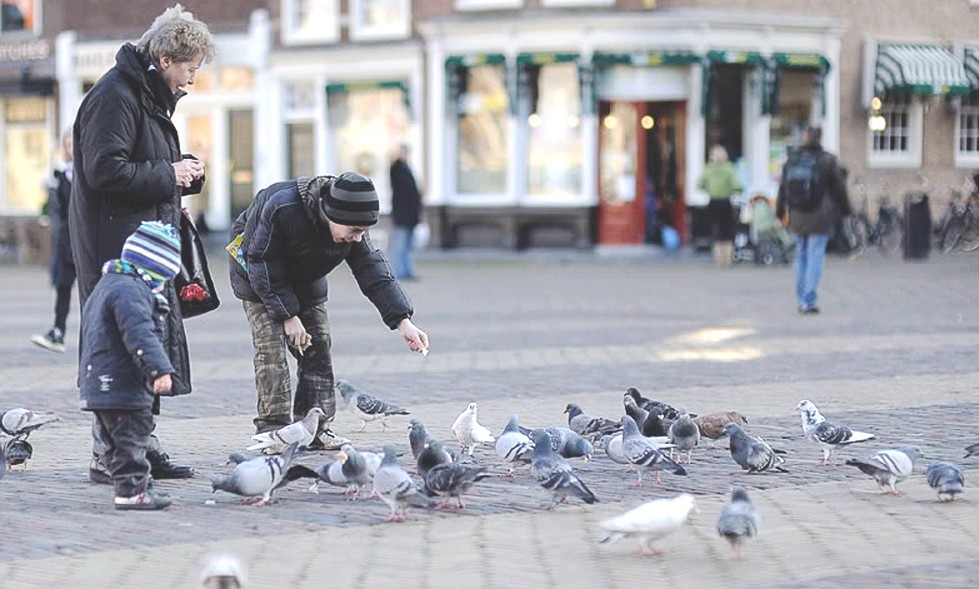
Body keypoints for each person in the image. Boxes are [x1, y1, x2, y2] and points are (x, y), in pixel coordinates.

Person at [69, 4, 216, 483]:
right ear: (167, 56)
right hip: (115, 250)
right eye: (189, 70)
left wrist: (179, 185)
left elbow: (141, 169)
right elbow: (105, 172)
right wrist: (170, 173)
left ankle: (139, 443)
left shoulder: (145, 97)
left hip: (140, 243)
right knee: (118, 340)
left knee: (144, 339)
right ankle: (109, 453)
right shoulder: (116, 95)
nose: (190, 81)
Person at [229, 172, 429, 450]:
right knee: (271, 352)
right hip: (258, 276)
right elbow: (262, 260)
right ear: (330, 214)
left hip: (307, 279)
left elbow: (373, 270)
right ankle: (273, 431)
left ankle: (315, 428)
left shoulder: (352, 224)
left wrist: (403, 321)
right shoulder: (282, 207)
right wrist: (288, 316)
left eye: (363, 232)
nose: (358, 239)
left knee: (318, 348)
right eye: (354, 231)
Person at [79, 222, 183, 511]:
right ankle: (132, 491)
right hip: (122, 385)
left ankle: (129, 484)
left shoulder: (107, 285)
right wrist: (160, 369)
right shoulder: (131, 292)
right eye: (163, 278)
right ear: (152, 270)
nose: (163, 286)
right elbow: (140, 334)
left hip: (99, 384)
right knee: (133, 439)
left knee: (115, 444)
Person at [776, 127, 851, 315]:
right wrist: (845, 210)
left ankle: (801, 297)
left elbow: (783, 188)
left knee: (800, 255)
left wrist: (780, 212)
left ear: (804, 137)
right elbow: (839, 189)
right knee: (815, 255)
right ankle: (809, 300)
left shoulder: (792, 160)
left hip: (797, 215)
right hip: (820, 215)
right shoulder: (827, 161)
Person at [31, 129, 76, 353]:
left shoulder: (87, 172)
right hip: (65, 242)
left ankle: (101, 336)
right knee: (63, 287)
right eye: (66, 143)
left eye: (73, 142)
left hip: (84, 242)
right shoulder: (60, 175)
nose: (69, 147)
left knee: (95, 291)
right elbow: (56, 210)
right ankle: (58, 331)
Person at [697, 145, 742, 266]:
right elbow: (737, 185)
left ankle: (719, 259)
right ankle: (727, 259)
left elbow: (699, 184)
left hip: (713, 202)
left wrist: (710, 189)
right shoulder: (729, 169)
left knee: (716, 230)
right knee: (727, 231)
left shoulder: (708, 169)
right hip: (726, 202)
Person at [388, 143, 423, 280]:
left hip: (411, 215)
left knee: (409, 246)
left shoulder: (408, 169)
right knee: (400, 245)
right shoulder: (397, 168)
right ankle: (399, 272)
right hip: (401, 215)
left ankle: (407, 271)